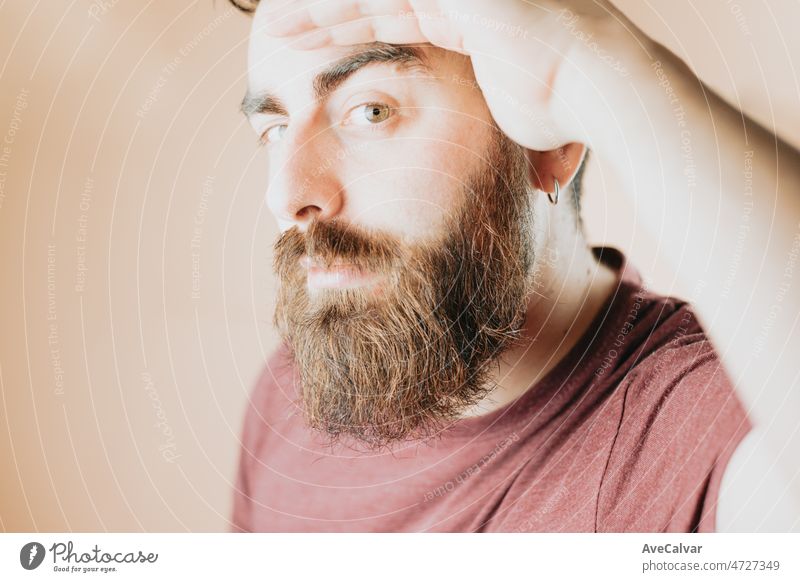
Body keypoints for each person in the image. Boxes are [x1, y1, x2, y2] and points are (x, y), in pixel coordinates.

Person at [230, 0, 800, 532]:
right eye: (275, 129)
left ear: (549, 146)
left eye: (372, 111)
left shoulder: (697, 424)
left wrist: (578, 62)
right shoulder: (293, 396)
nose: (286, 195)